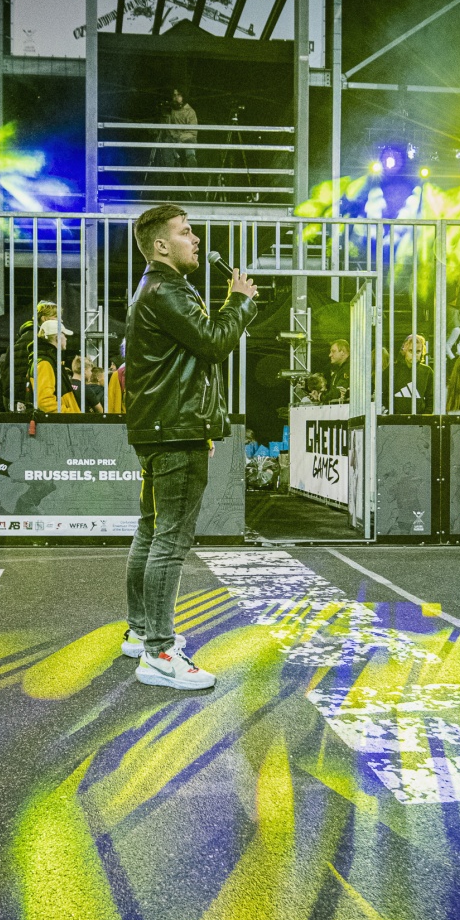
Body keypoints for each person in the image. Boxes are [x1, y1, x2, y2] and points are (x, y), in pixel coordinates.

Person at [124, 202, 258, 690]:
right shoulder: (167, 290)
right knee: (170, 540)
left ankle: (142, 632)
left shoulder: (155, 288)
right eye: (185, 232)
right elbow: (213, 343)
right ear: (161, 245)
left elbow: (186, 360)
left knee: (151, 531)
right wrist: (239, 301)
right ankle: (159, 652)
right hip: (174, 431)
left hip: (166, 427)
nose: (196, 238)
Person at [33, 317, 80, 413]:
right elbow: (44, 402)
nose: (66, 338)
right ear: (57, 338)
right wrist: (70, 413)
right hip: (60, 421)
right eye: (64, 335)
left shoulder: (48, 360)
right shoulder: (45, 363)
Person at [389, 333, 433, 414]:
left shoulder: (427, 371)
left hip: (420, 420)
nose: (414, 355)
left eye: (418, 351)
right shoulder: (392, 370)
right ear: (404, 350)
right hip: (394, 419)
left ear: (422, 352)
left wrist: (425, 416)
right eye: (411, 351)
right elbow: (383, 395)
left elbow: (431, 399)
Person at [155, 88, 198, 170]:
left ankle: (191, 160)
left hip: (186, 138)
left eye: (179, 95)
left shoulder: (190, 112)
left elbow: (192, 132)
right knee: (166, 144)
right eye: (174, 95)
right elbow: (168, 128)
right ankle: (169, 169)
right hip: (173, 138)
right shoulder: (171, 110)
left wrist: (180, 138)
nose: (176, 97)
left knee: (190, 142)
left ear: (183, 97)